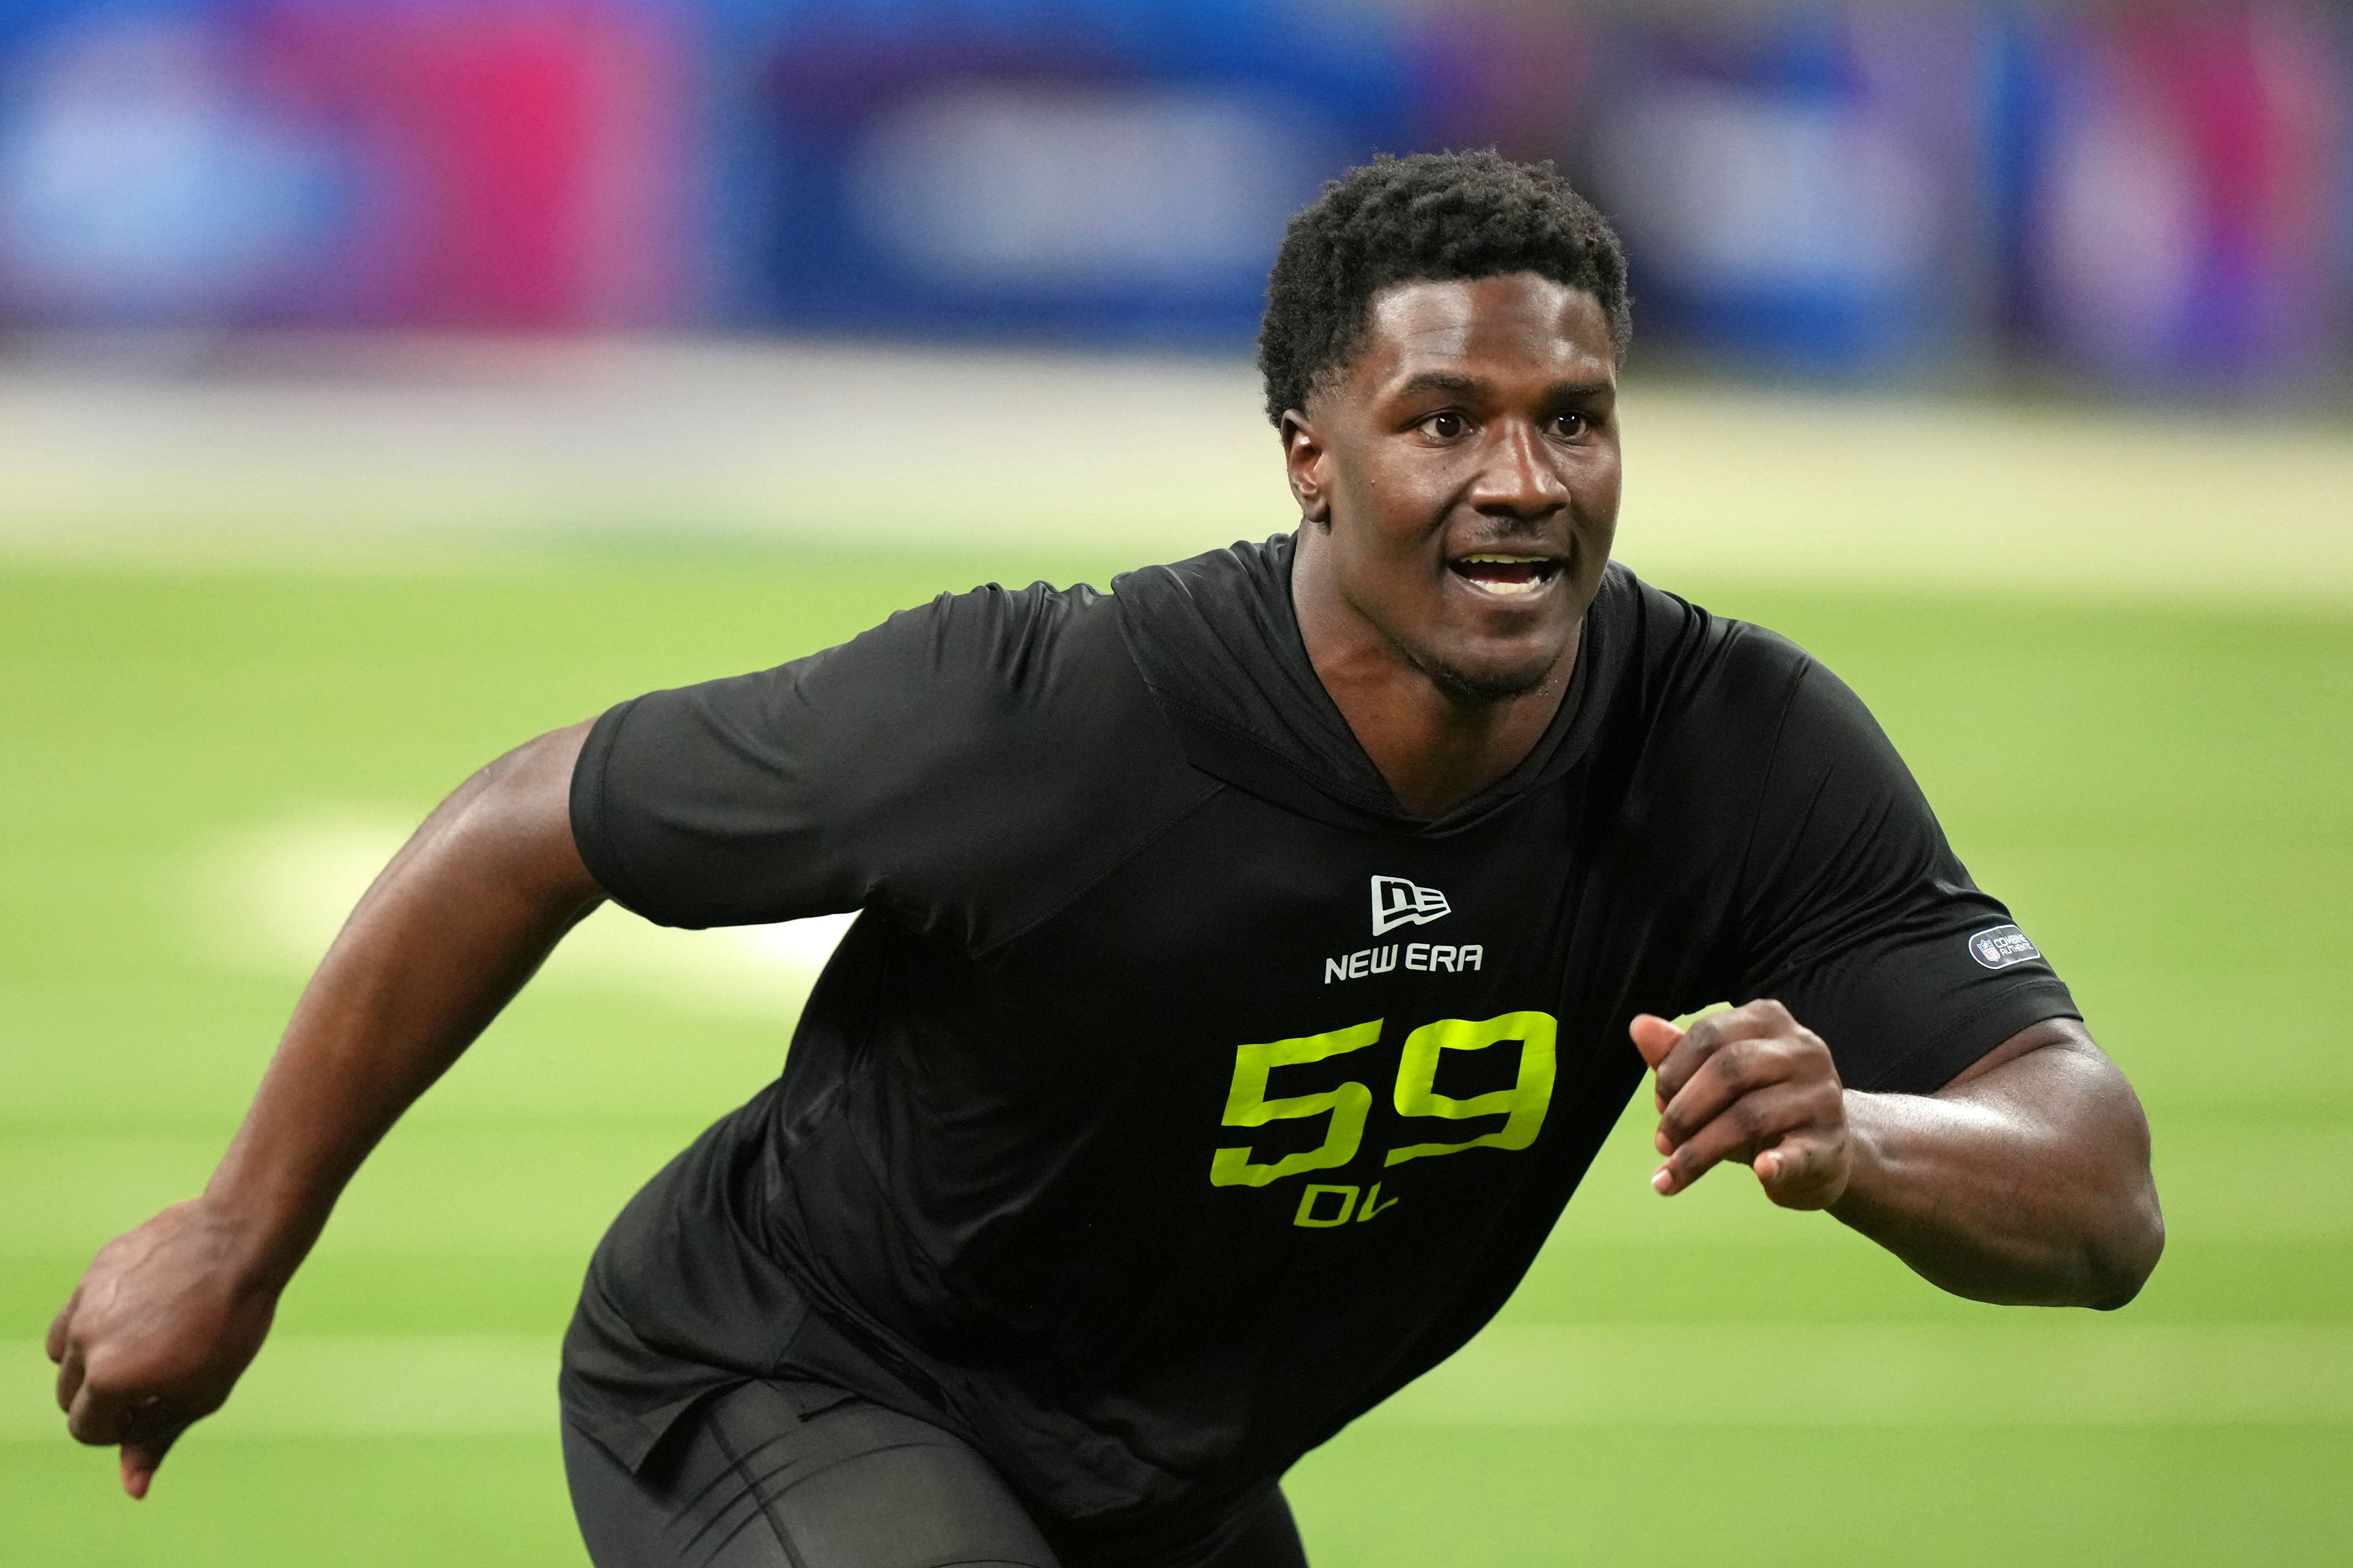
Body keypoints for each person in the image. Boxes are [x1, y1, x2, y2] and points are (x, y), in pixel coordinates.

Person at [49, 151, 2163, 1568]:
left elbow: (2098, 1197)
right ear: (1307, 454)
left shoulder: (1727, 741)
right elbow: (536, 821)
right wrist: (241, 1238)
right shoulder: (1044, 709)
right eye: (1444, 421)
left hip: (1159, 1476)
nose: (1522, 481)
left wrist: (1868, 1136)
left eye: (1573, 417)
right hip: (793, 1372)